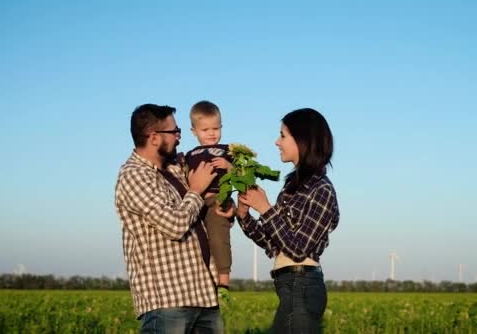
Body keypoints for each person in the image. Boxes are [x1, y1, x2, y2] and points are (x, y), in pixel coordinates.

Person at [115, 103, 223, 333]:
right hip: (168, 301)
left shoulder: (174, 169)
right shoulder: (134, 175)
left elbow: (197, 214)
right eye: (174, 132)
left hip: (203, 294)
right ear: (154, 137)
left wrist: (225, 206)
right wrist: (196, 190)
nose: (179, 138)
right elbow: (174, 225)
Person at [235, 108, 340, 333]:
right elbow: (274, 242)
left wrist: (264, 208)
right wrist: (244, 215)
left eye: (283, 135)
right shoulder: (291, 188)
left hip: (302, 285)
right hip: (290, 284)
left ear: (302, 141)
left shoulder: (322, 189)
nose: (276, 142)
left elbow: (298, 248)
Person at [184, 100, 234, 300]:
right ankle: (197, 280)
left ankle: (224, 281)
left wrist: (229, 166)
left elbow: (242, 177)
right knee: (192, 242)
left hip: (216, 201)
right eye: (205, 129)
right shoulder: (189, 155)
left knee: (219, 238)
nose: (211, 133)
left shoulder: (228, 150)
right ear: (194, 131)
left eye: (216, 128)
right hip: (195, 201)